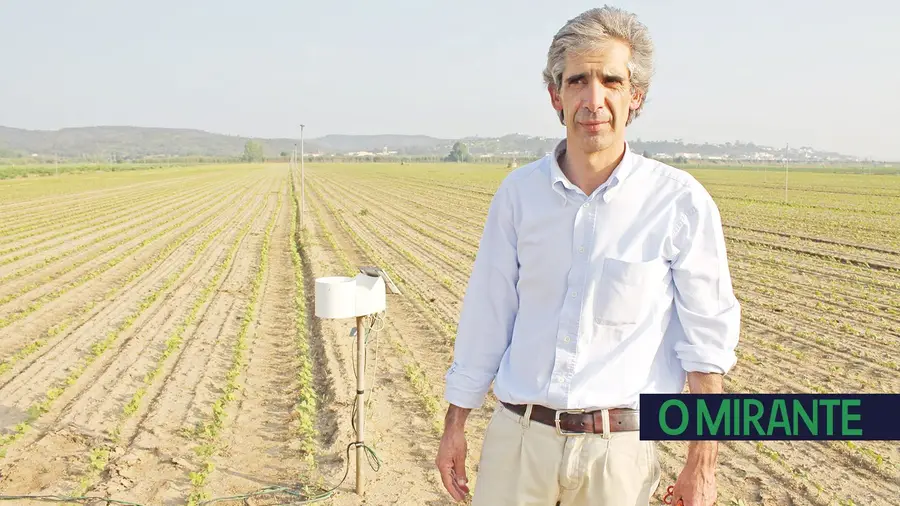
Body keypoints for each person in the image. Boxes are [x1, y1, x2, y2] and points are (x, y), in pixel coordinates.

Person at [435, 5, 741, 506]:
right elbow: (486, 319)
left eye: (611, 82)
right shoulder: (518, 195)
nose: (593, 99)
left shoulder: (679, 202)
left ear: (635, 96)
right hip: (518, 444)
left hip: (617, 458)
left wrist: (701, 466)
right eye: (578, 81)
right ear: (556, 96)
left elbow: (705, 349)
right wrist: (455, 424)